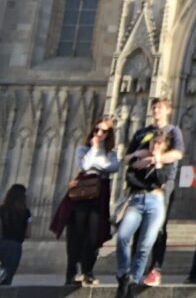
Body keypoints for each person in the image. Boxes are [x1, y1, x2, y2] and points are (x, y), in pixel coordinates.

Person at [51, 117, 119, 286]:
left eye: (103, 131)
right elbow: (85, 166)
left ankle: (88, 270)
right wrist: (95, 149)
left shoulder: (111, 153)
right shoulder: (83, 149)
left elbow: (114, 167)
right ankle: (71, 272)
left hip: (99, 195)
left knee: (94, 234)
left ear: (109, 134)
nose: (99, 133)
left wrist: (97, 163)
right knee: (76, 234)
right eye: (96, 130)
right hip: (82, 194)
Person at [130, 96, 185, 288]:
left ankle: (155, 268)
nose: (155, 111)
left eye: (160, 107)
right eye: (154, 107)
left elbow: (178, 154)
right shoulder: (142, 133)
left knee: (159, 227)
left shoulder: (174, 131)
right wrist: (139, 155)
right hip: (139, 184)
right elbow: (129, 156)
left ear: (168, 110)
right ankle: (134, 267)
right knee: (137, 226)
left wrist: (154, 158)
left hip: (163, 185)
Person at [114, 131, 176, 298]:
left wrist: (156, 162)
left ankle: (133, 282)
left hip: (155, 204)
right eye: (153, 142)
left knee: (145, 245)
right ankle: (123, 275)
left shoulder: (167, 163)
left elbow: (162, 179)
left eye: (159, 143)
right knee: (122, 236)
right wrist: (149, 179)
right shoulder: (138, 158)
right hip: (137, 200)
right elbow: (130, 178)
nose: (154, 146)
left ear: (165, 147)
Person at [0, 184, 30, 286]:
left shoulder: (2, 209)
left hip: (2, 242)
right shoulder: (26, 213)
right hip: (15, 245)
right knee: (7, 276)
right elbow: (28, 233)